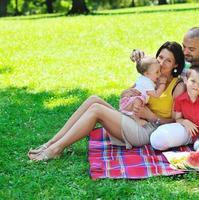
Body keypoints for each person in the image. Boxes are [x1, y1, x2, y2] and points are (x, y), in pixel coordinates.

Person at [28, 41, 185, 162]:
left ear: (176, 65)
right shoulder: (150, 76)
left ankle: (56, 149)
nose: (162, 63)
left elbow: (175, 121)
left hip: (146, 130)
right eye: (160, 57)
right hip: (133, 119)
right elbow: (128, 98)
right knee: (93, 99)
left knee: (97, 109)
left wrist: (150, 115)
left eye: (168, 61)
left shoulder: (177, 86)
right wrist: (126, 93)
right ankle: (51, 143)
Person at [119, 56, 167, 125]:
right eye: (157, 72)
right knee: (138, 103)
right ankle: (137, 119)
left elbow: (133, 87)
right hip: (135, 101)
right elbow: (156, 94)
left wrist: (125, 93)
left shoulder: (141, 78)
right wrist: (163, 84)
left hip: (128, 100)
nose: (159, 74)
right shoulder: (148, 82)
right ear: (146, 73)